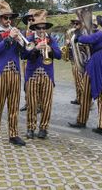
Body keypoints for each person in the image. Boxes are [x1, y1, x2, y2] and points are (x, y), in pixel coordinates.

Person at [0, 0, 26, 147]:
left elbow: (24, 52)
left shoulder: (17, 32)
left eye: (10, 18)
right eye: (5, 17)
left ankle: (13, 134)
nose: (8, 20)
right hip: (0, 74)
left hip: (15, 73)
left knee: (14, 105)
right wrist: (9, 38)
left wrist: (20, 41)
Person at [68, 15, 102, 136]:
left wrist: (77, 34)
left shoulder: (101, 34)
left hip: (96, 67)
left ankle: (101, 126)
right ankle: (83, 121)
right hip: (95, 66)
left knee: (101, 96)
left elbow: (84, 40)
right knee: (86, 95)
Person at [22, 10, 61, 139]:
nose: (41, 30)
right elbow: (23, 55)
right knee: (32, 103)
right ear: (35, 28)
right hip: (32, 75)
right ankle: (30, 128)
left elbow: (59, 55)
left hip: (47, 76)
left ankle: (43, 128)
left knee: (46, 103)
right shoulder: (29, 39)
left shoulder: (51, 40)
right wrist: (35, 48)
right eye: (38, 28)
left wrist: (50, 49)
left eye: (43, 27)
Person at [19, 9, 39, 112]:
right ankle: (27, 102)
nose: (30, 21)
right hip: (24, 61)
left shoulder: (38, 32)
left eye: (32, 19)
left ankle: (38, 104)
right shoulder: (23, 32)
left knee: (36, 81)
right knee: (26, 82)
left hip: (35, 61)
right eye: (29, 19)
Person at [68, 19, 84, 105]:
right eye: (73, 24)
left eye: (77, 24)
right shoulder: (75, 34)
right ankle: (78, 98)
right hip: (73, 60)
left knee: (81, 82)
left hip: (79, 61)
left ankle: (87, 100)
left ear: (81, 24)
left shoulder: (82, 33)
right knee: (77, 81)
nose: (74, 25)